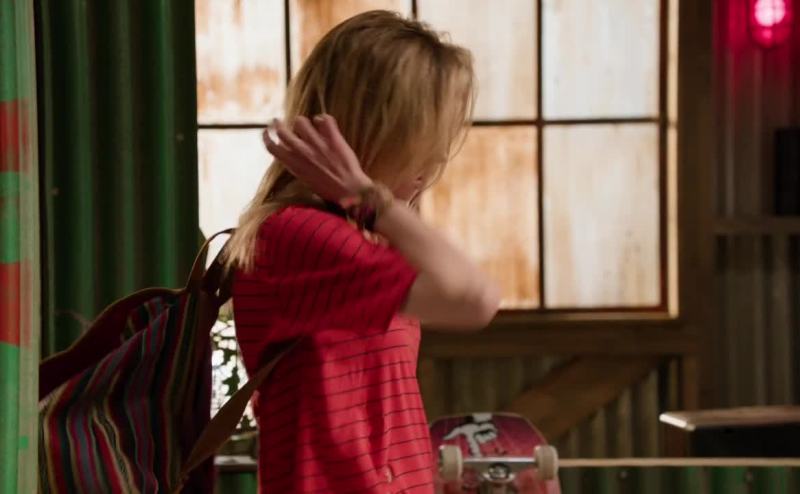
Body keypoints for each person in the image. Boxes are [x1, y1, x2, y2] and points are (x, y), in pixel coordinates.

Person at [225, 10, 501, 493]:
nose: (436, 160)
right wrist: (367, 196)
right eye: (425, 137)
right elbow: (472, 299)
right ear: (374, 130)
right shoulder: (302, 235)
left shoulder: (351, 233)